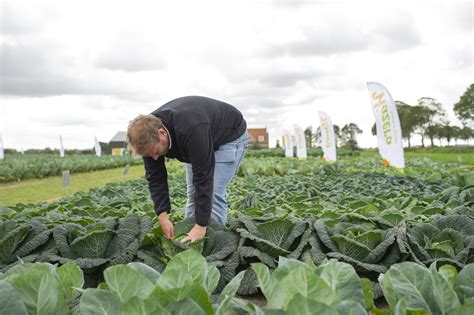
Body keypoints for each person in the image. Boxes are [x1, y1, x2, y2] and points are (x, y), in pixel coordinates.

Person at [127, 96, 248, 243]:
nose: (154, 158)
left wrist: (201, 225)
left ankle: (213, 243)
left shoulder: (191, 128)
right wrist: (162, 215)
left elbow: (203, 178)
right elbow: (155, 178)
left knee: (214, 191)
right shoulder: (147, 140)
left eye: (156, 152)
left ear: (162, 133)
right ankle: (188, 240)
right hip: (198, 140)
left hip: (228, 136)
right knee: (193, 193)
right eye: (149, 155)